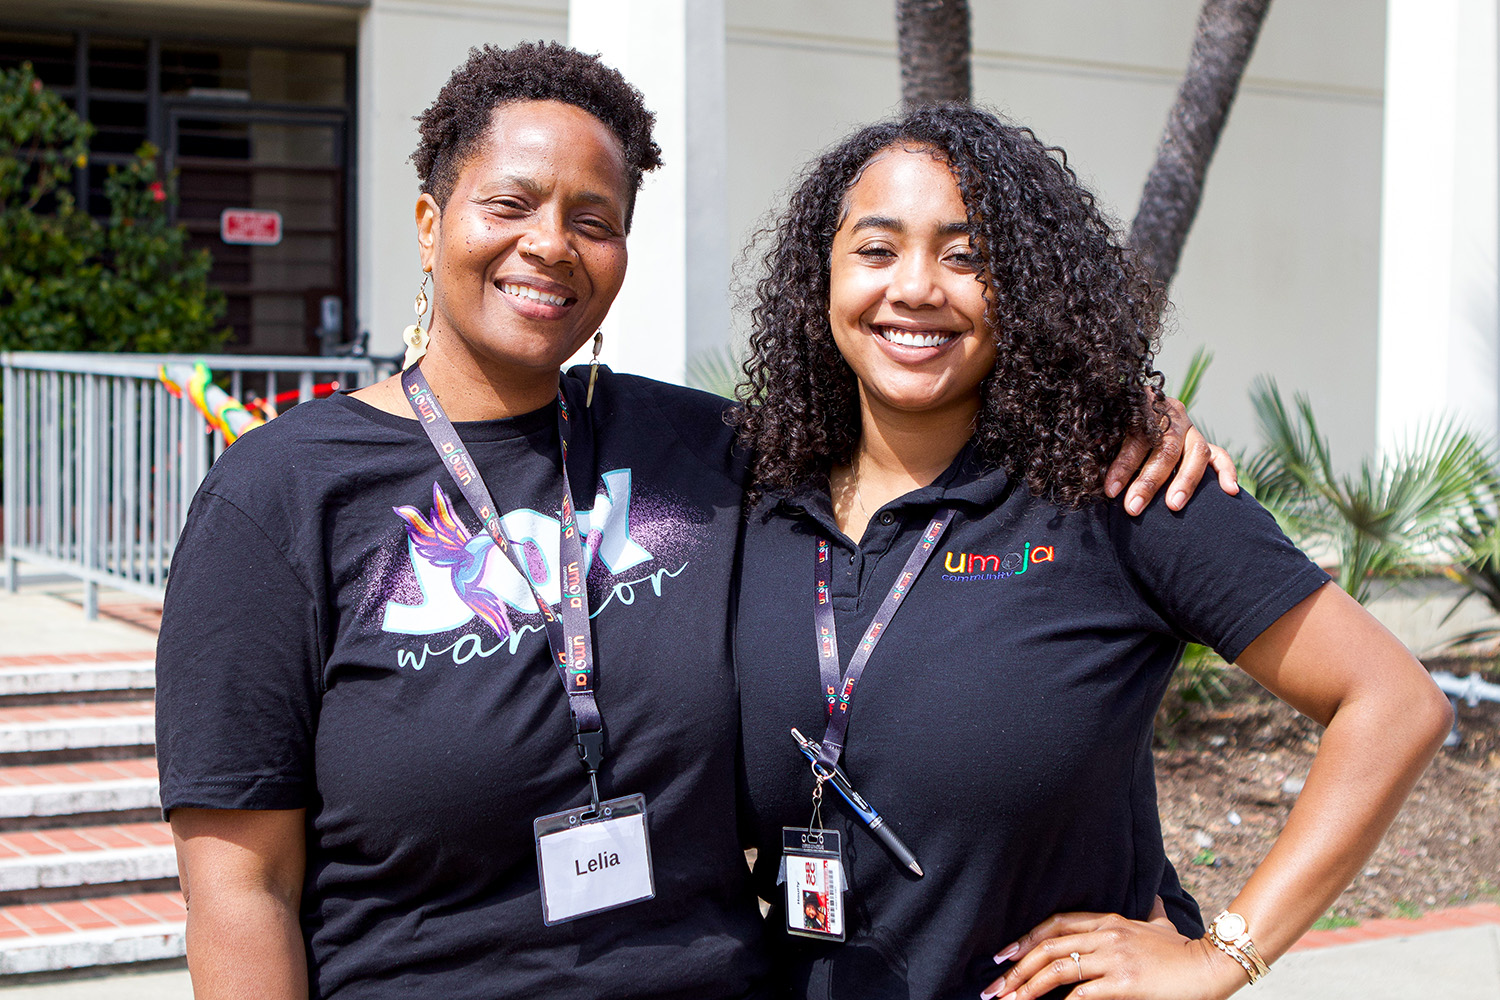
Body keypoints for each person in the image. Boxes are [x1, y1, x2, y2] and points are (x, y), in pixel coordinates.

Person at [155, 45, 1230, 999]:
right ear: (433, 221)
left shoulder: (708, 449)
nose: (551, 246)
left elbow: (914, 404)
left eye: (594, 221)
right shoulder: (283, 495)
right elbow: (241, 886)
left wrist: (1122, 418)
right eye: (510, 205)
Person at [731, 104, 1452, 1000]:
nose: (916, 287)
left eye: (968, 257)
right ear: (820, 280)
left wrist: (1220, 957)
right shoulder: (750, 495)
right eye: (876, 250)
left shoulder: (1120, 488)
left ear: (1024, 289)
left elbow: (1393, 701)